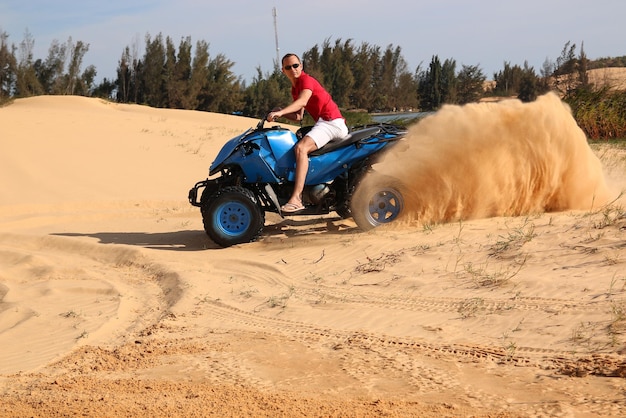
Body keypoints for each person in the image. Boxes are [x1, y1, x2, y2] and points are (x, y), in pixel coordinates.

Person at [267, 53, 349, 213]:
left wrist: (282, 111)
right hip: (325, 122)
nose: (293, 69)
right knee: (298, 146)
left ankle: (296, 199)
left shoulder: (306, 80)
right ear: (283, 70)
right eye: (288, 67)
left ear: (301, 66)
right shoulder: (295, 88)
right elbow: (298, 116)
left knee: (301, 148)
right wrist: (280, 113)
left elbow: (303, 101)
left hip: (331, 121)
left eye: (296, 65)